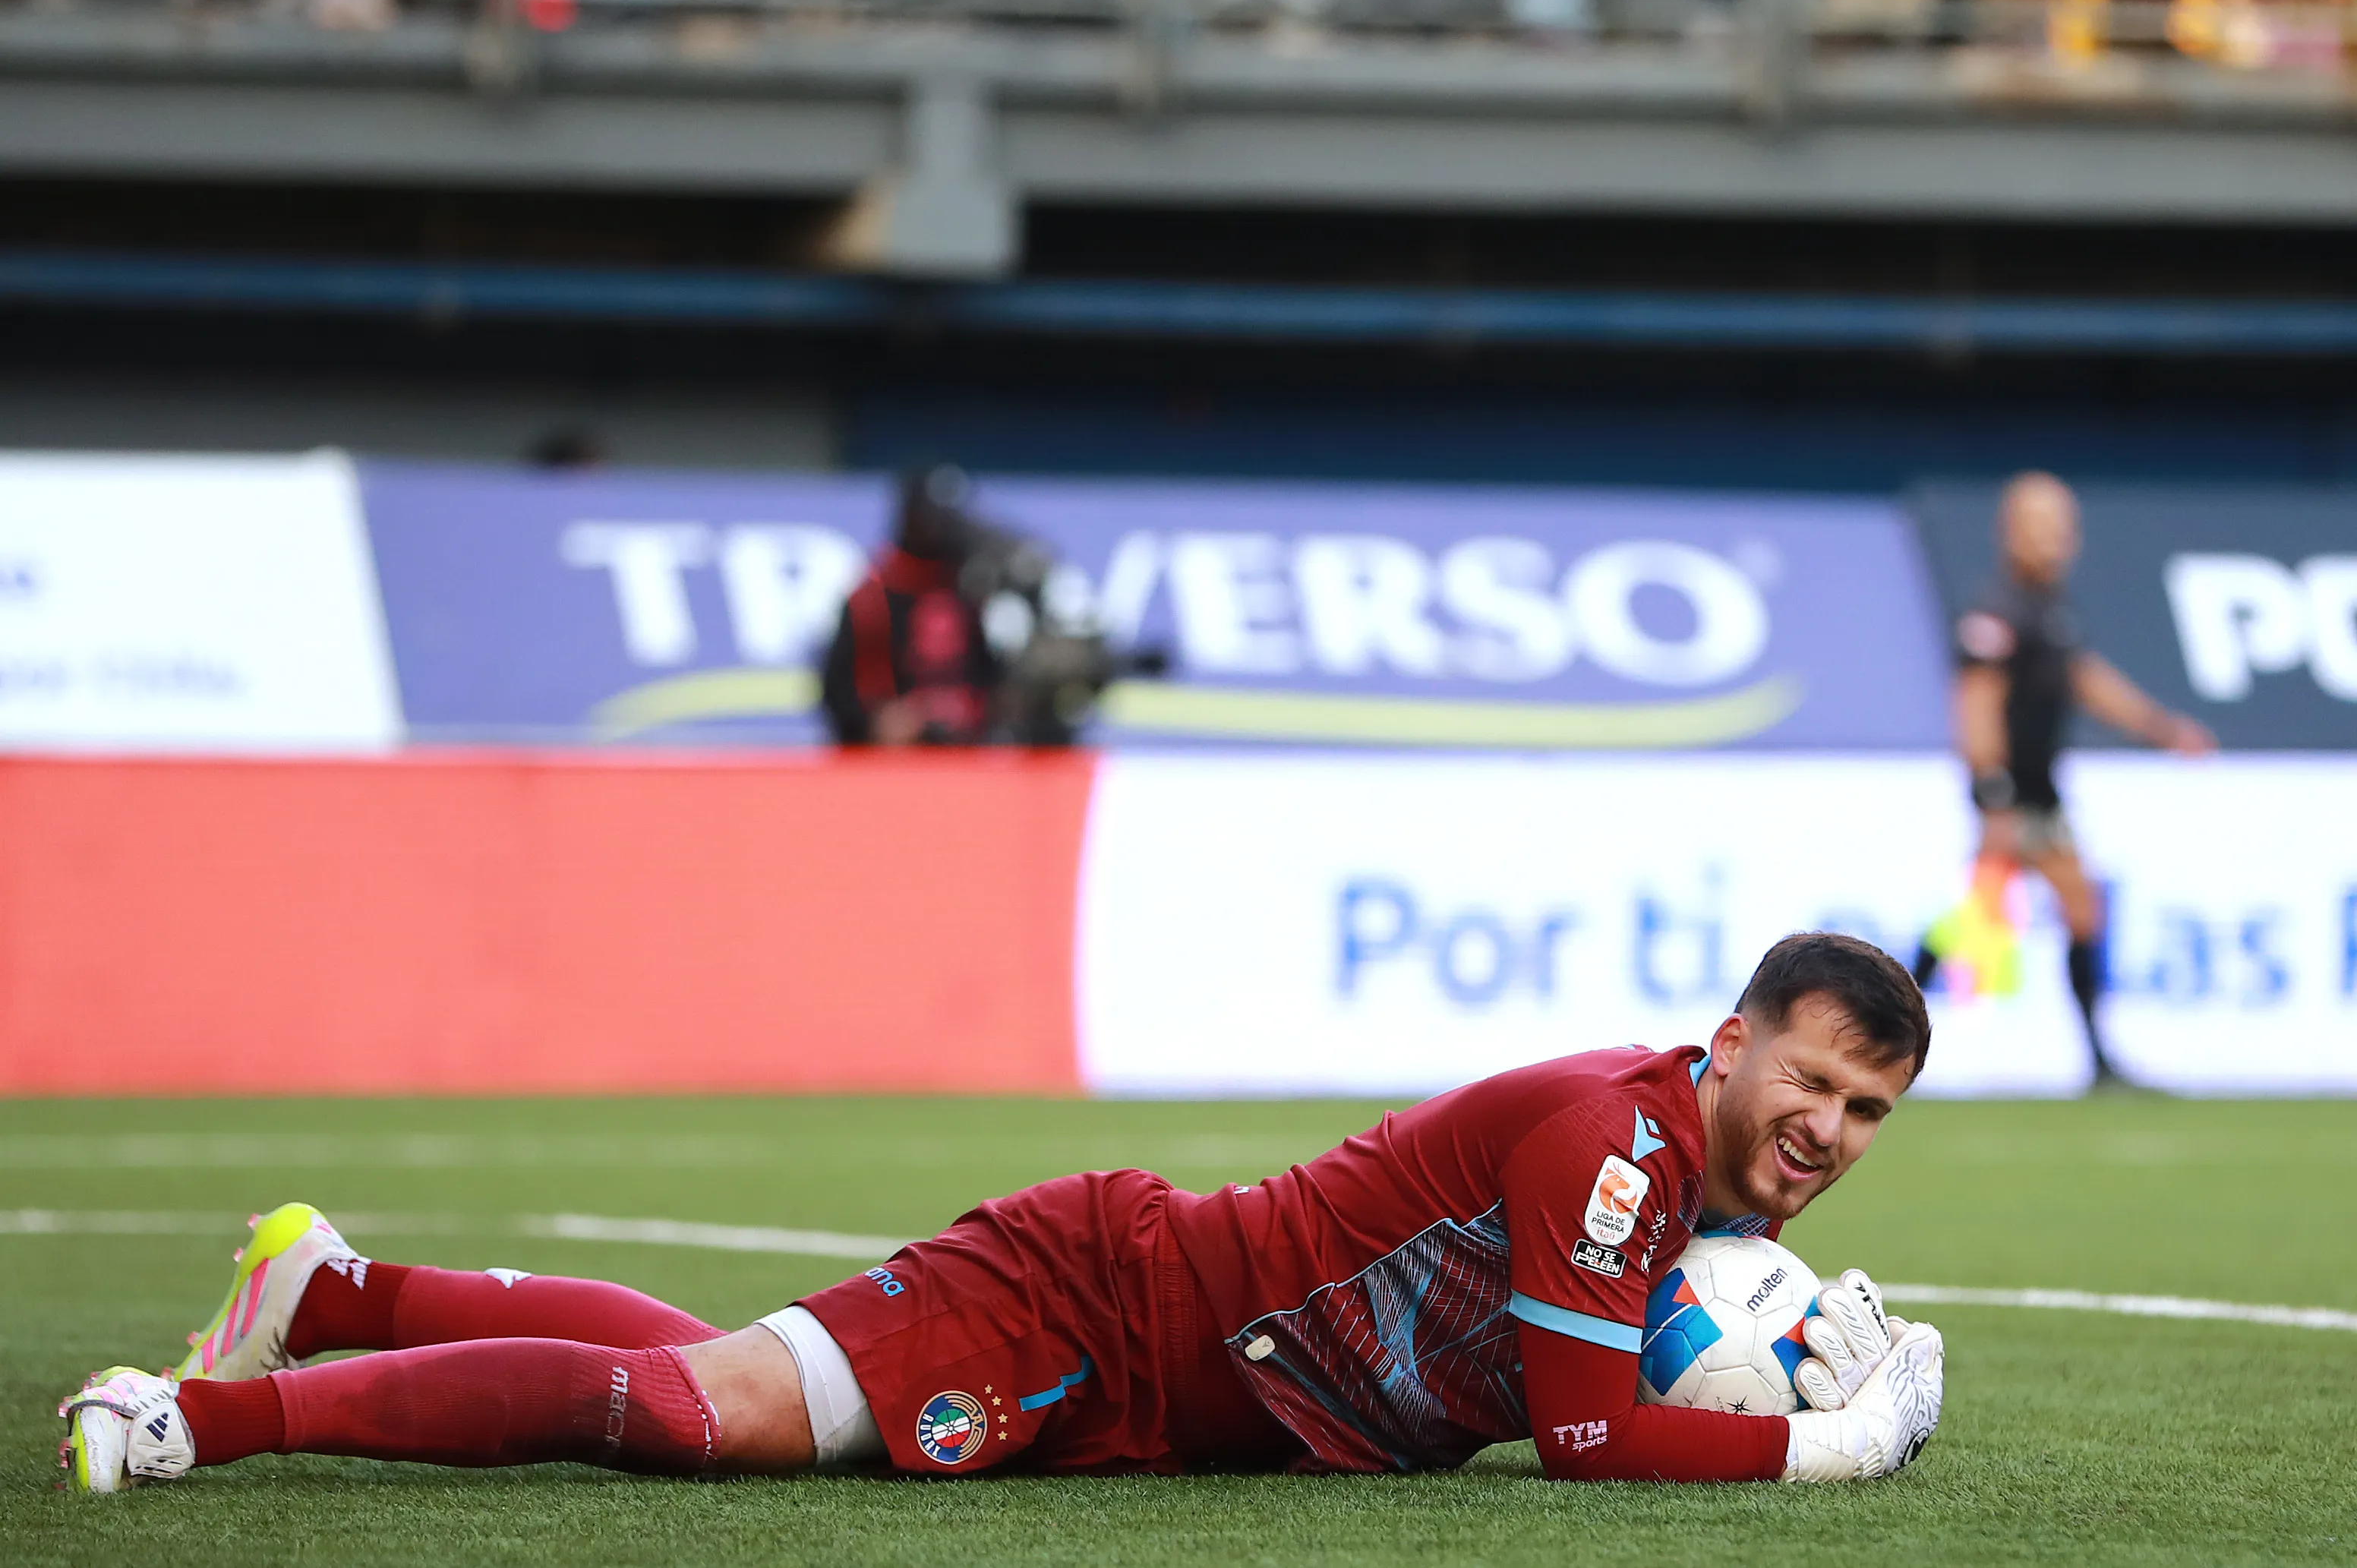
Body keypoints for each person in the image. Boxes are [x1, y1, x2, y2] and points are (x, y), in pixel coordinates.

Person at [61, 933, 1946, 1494]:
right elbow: (1593, 1436)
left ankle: (335, 1287)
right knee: (708, 1414)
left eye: (1866, 1109)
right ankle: (198, 1415)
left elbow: (1604, 1375)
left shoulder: (1691, 1201)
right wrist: (1828, 1441)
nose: (1829, 1127)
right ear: (1727, 1043)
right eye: (1809, 1079)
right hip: (1105, 1302)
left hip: (1168, 1386)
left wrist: (1760, 1359)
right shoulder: (1617, 1145)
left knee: (745, 1376)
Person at [1911, 472, 2214, 1088]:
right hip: (2011, 791)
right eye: (2043, 525)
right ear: (2011, 532)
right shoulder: (1997, 610)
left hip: (2040, 790)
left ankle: (2097, 1057)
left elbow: (2085, 679)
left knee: (2057, 909)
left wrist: (2160, 728)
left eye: (2063, 525)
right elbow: (1976, 702)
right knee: (1987, 916)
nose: (2058, 539)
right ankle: (1882, 1032)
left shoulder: (2050, 608)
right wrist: (1991, 788)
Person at [819, 465, 1002, 746]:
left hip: (970, 751)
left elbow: (998, 678)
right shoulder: (873, 598)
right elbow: (838, 691)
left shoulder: (978, 588)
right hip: (891, 757)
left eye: (951, 519)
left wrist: (970, 712)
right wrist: (876, 721)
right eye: (933, 519)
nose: (942, 529)